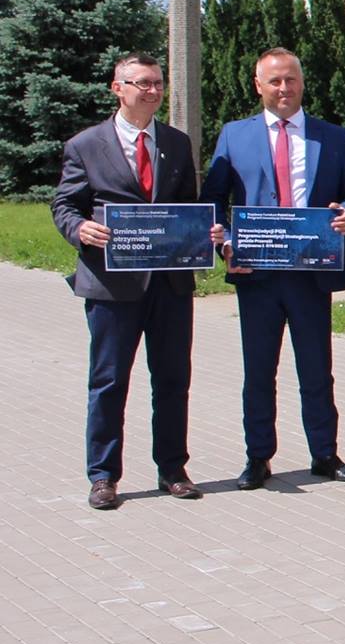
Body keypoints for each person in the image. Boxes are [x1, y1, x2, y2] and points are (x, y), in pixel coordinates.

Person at [52, 54, 220, 509]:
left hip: (170, 286)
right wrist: (79, 229)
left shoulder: (177, 143)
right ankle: (103, 475)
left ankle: (173, 470)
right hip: (112, 286)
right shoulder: (86, 145)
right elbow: (64, 205)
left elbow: (186, 206)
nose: (152, 91)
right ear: (117, 88)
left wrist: (205, 232)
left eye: (158, 83)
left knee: (172, 379)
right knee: (109, 381)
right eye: (142, 83)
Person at [203, 48, 345, 490]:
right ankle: (258, 458)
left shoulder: (333, 136)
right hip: (256, 276)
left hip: (311, 273)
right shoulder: (234, 135)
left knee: (317, 369)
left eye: (291, 79)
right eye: (274, 81)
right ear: (258, 85)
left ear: (302, 82)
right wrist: (226, 242)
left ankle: (325, 454)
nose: (283, 88)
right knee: (259, 372)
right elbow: (213, 198)